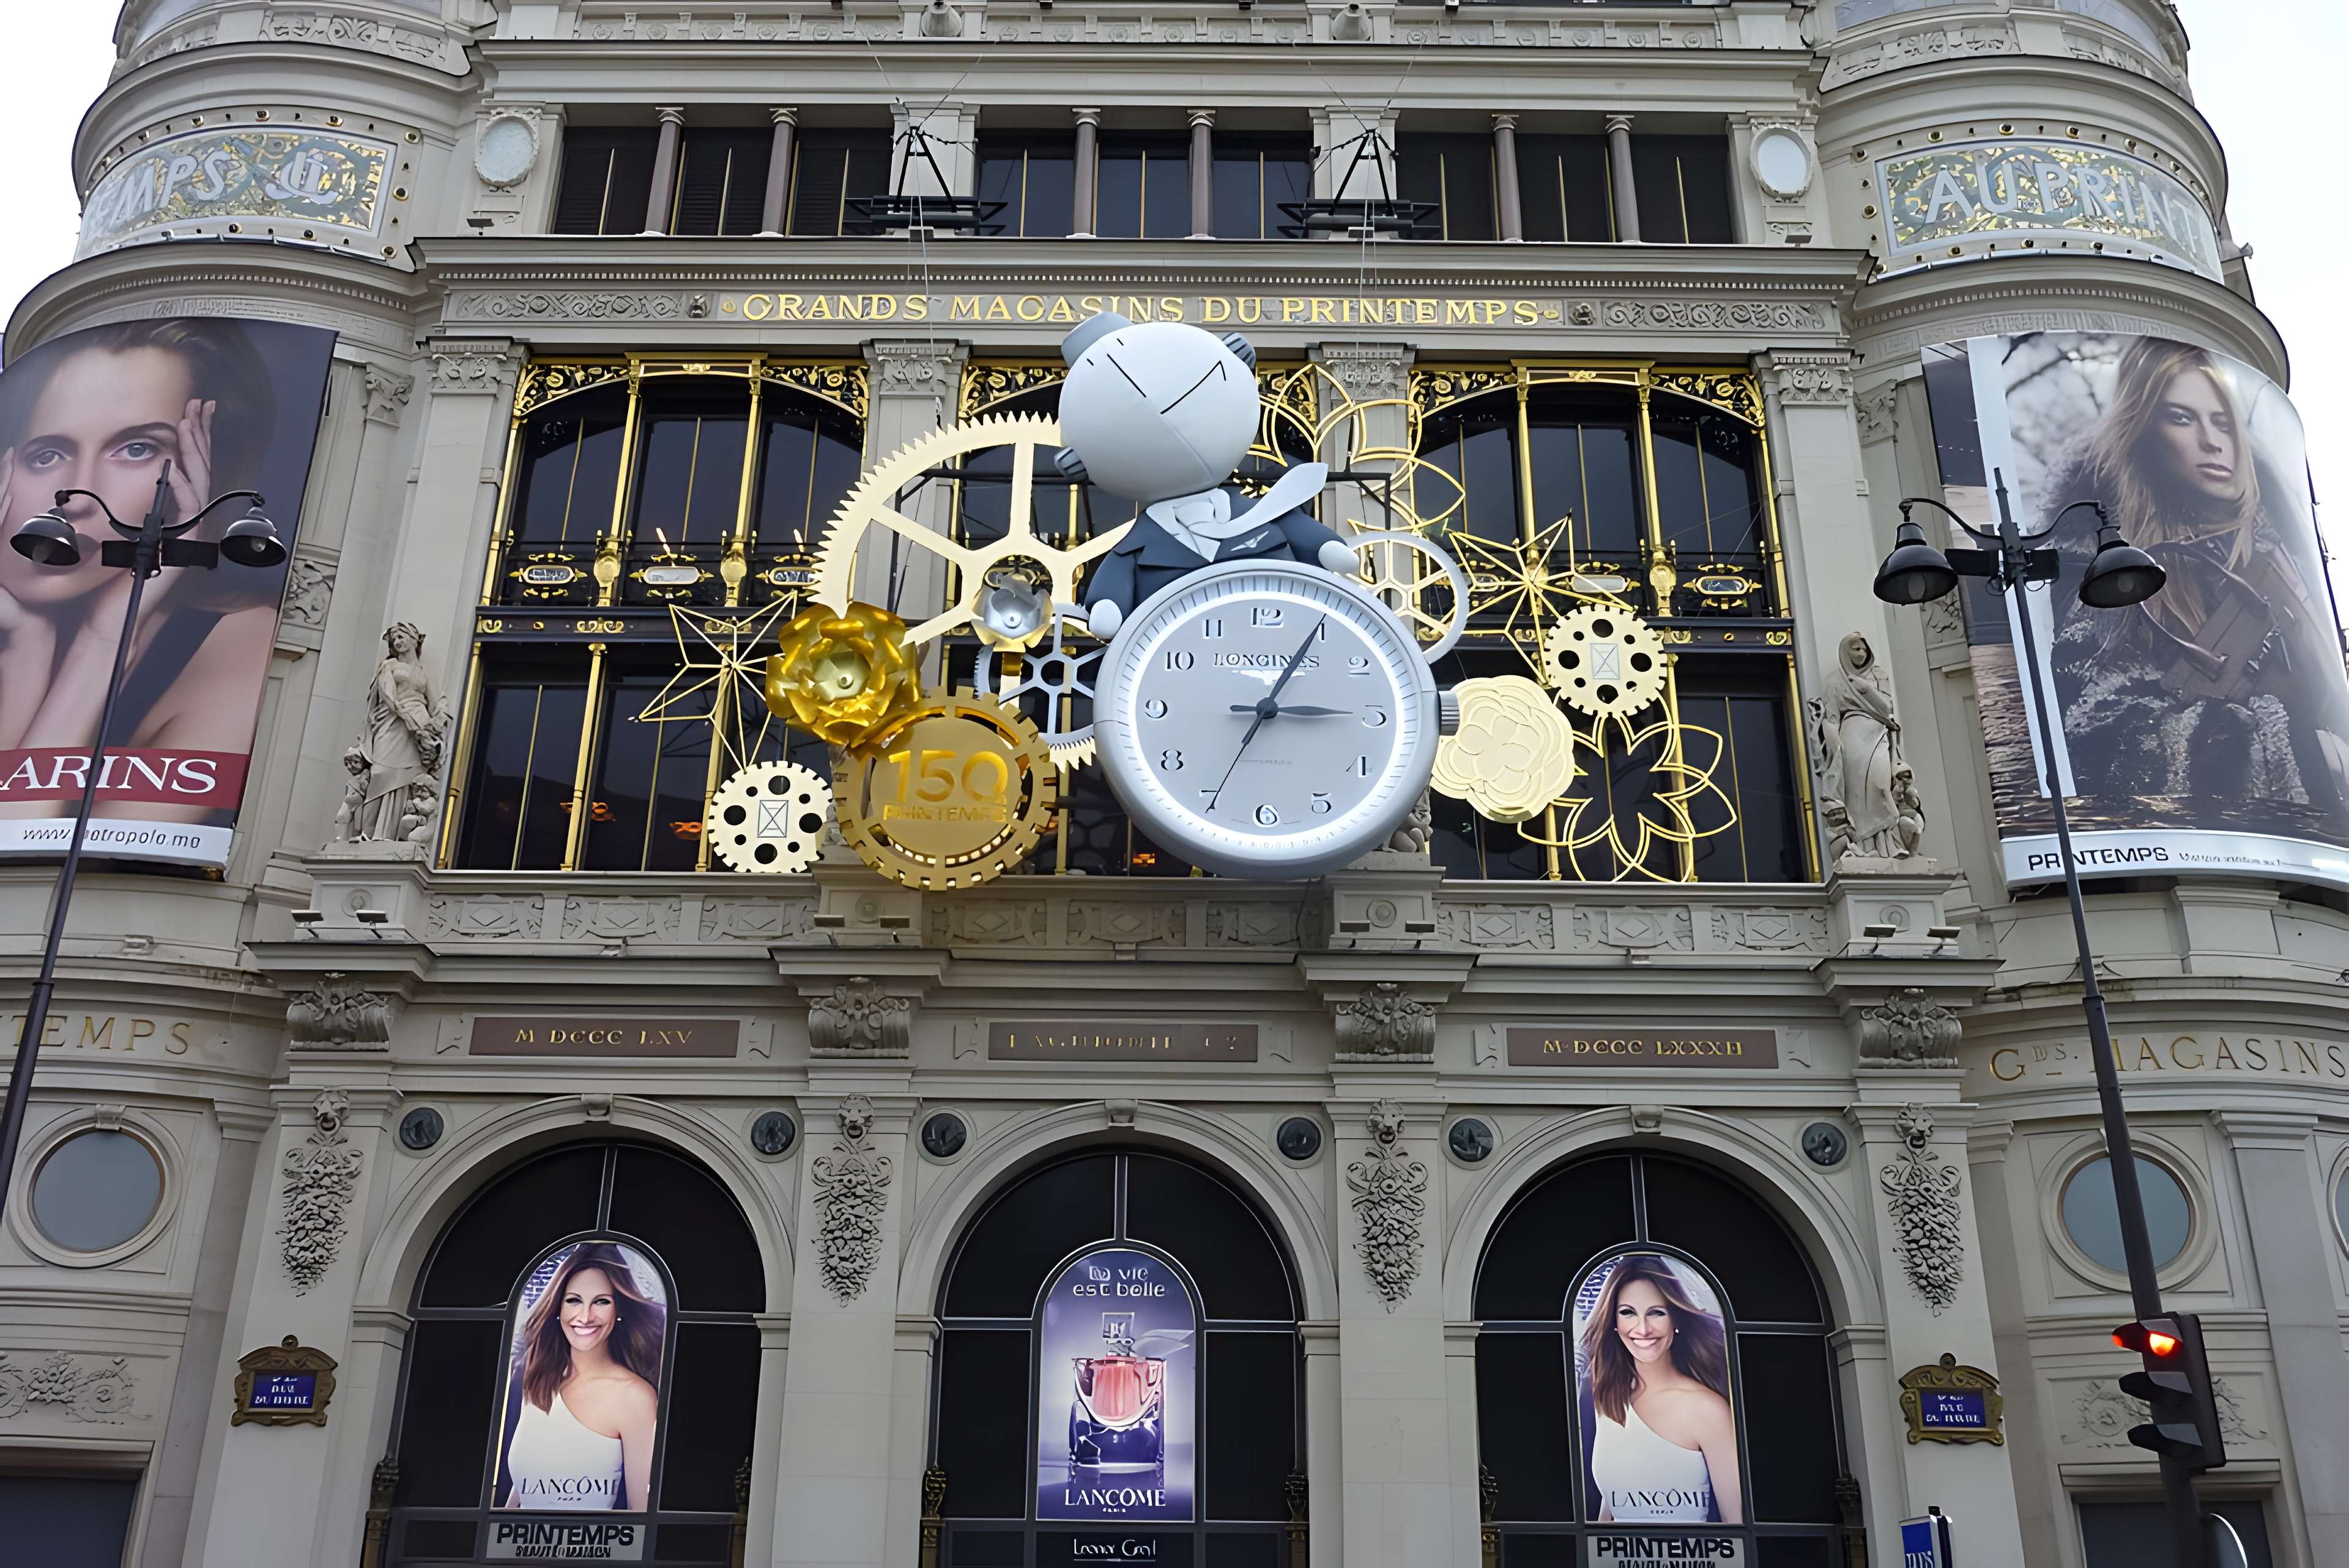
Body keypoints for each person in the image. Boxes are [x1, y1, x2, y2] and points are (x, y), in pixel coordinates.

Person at [2040, 338, 2349, 814]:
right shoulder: (2105, 569)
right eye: (2181, 418)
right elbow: (2094, 736)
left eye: (2223, 422)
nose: (2212, 440)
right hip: (2195, 847)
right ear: (2143, 431)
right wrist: (2263, 738)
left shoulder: (2286, 557)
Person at [0, 320, 284, 818]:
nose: (79, 496)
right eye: (46, 455)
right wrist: (28, 650)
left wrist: (102, 639)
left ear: (204, 473)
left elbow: (36, 868)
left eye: (137, 449)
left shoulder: (243, 641)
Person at [1579, 1254, 1743, 1525]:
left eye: (1656, 1312)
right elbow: (1612, 1507)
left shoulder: (1708, 1410)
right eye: (1628, 1312)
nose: (1642, 1329)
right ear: (1614, 1323)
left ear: (1675, 1319)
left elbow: (1737, 1528)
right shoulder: (1609, 1399)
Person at [502, 1243, 664, 1512]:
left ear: (619, 1310)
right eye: (574, 1300)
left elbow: (641, 1516)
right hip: (516, 1550)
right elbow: (525, 1489)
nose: (585, 1317)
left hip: (588, 1551)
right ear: (558, 1308)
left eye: (601, 1301)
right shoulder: (537, 1378)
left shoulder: (635, 1397)